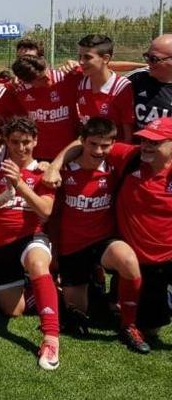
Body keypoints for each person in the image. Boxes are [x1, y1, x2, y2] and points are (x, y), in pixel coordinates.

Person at [46, 118, 148, 353]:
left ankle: (128, 325)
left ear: (114, 144)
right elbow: (55, 215)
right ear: (82, 141)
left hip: (103, 242)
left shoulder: (115, 168)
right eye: (93, 144)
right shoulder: (63, 172)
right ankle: (85, 286)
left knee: (129, 261)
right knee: (79, 316)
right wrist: (54, 247)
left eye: (105, 145)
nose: (99, 151)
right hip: (72, 247)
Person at [0, 117, 60, 371]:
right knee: (14, 311)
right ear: (6, 142)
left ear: (35, 141)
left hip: (32, 237)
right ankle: (49, 293)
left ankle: (50, 338)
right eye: (15, 142)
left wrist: (20, 185)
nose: (21, 148)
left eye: (26, 142)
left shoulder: (44, 172)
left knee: (36, 262)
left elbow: (45, 211)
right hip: (2, 243)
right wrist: (5, 195)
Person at [115, 117, 172, 340]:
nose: (146, 147)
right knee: (150, 330)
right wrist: (54, 165)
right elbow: (83, 142)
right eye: (144, 140)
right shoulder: (130, 158)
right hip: (143, 263)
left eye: (155, 143)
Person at [9, 55, 80, 160]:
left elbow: (102, 68)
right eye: (41, 79)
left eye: (46, 72)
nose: (48, 78)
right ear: (27, 82)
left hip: (71, 152)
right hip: (39, 154)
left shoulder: (67, 77)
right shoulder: (18, 88)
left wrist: (78, 64)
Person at [74, 34, 134, 142]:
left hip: (113, 151)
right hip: (86, 149)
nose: (81, 62)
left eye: (87, 57)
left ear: (106, 58)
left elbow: (128, 135)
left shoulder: (121, 87)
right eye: (79, 57)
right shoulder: (79, 78)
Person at [128, 34, 172, 130]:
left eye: (154, 59)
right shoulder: (137, 78)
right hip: (137, 144)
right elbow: (103, 69)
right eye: (147, 57)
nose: (148, 62)